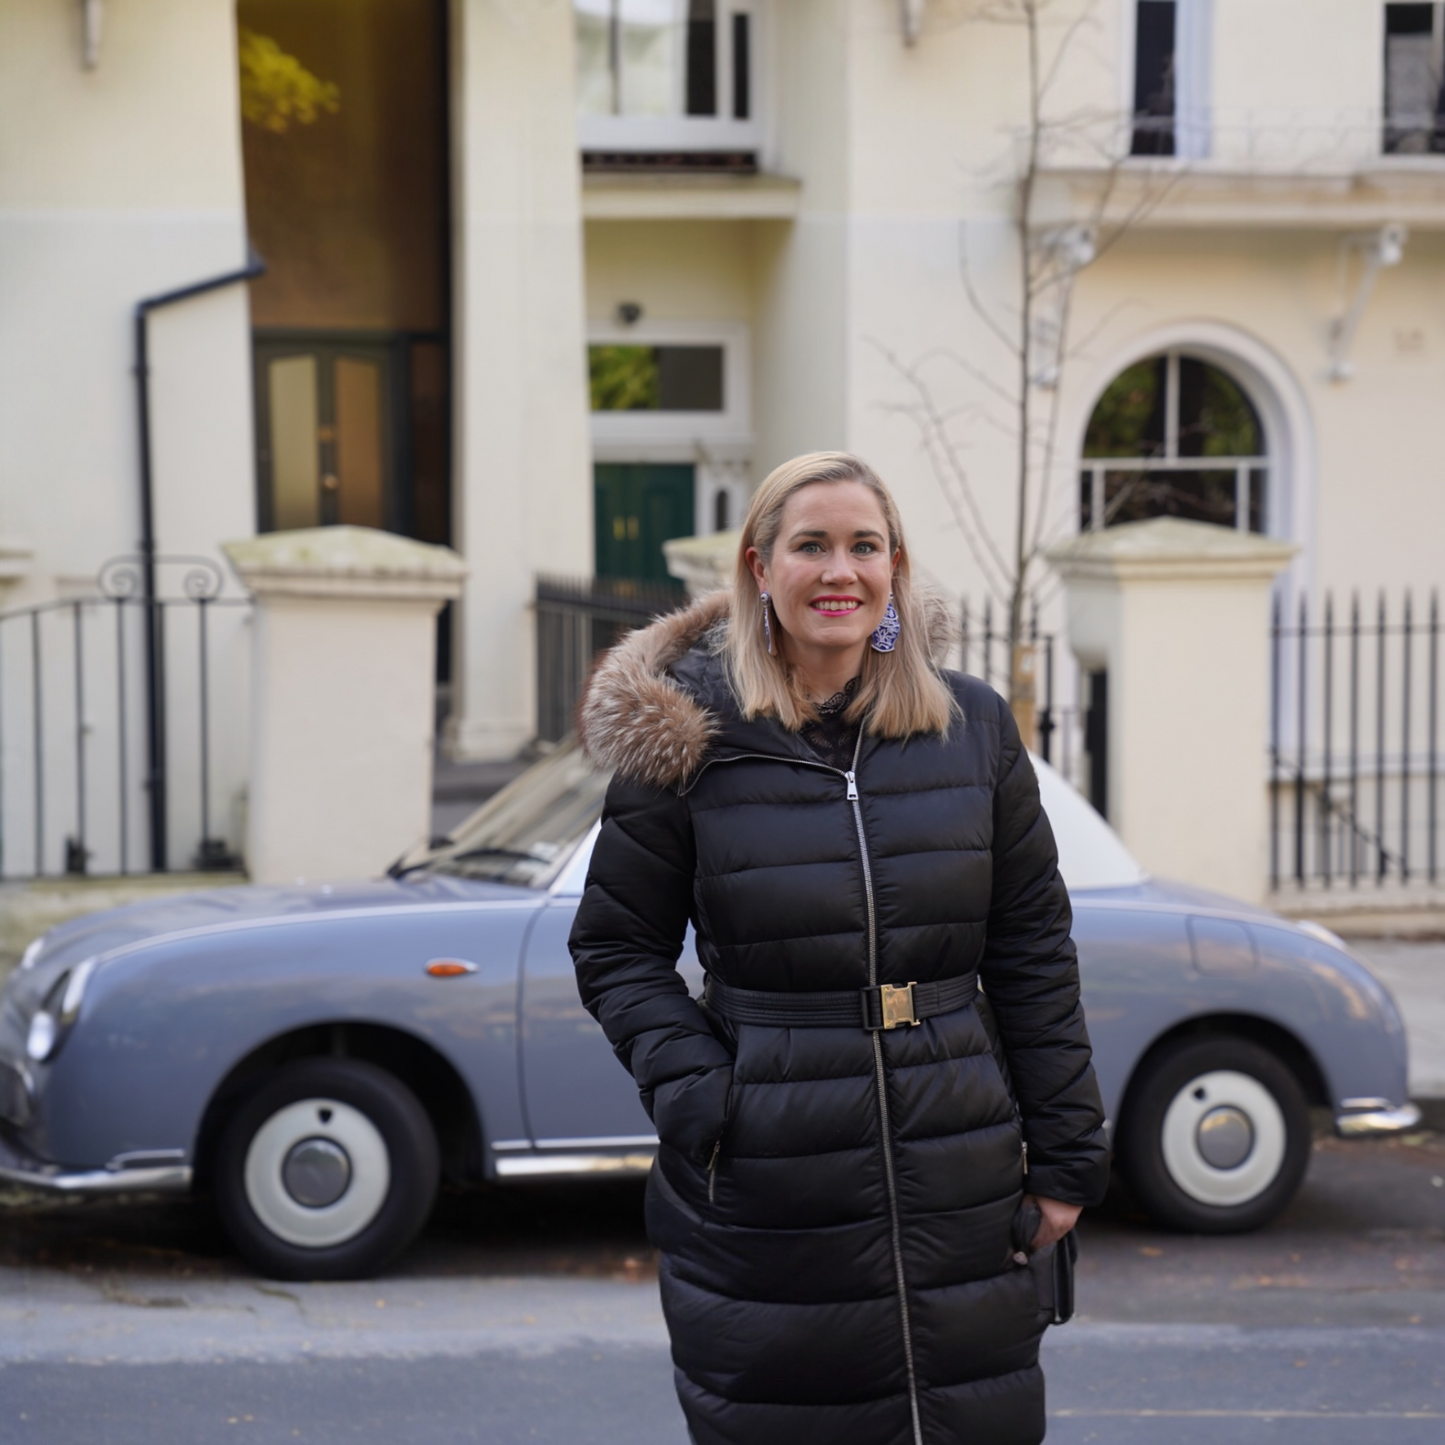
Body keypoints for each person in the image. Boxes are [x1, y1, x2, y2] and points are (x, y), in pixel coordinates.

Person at [569, 451, 1109, 1445]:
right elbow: (614, 947)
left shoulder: (971, 726)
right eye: (809, 545)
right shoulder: (686, 738)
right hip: (768, 1178)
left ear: (893, 565)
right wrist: (704, 1095)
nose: (838, 571)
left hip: (959, 1166)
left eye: (864, 546)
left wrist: (1066, 1152)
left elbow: (1031, 946)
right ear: (759, 566)